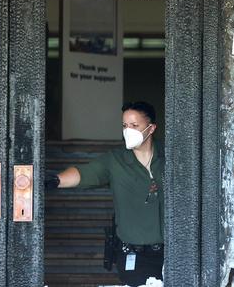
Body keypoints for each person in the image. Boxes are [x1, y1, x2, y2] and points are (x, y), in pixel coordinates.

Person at [46, 101, 164, 286]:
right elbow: (84, 173)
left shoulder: (170, 155)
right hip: (134, 255)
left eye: (134, 125)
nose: (128, 130)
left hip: (173, 253)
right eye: (125, 125)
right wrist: (55, 180)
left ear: (151, 128)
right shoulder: (115, 160)